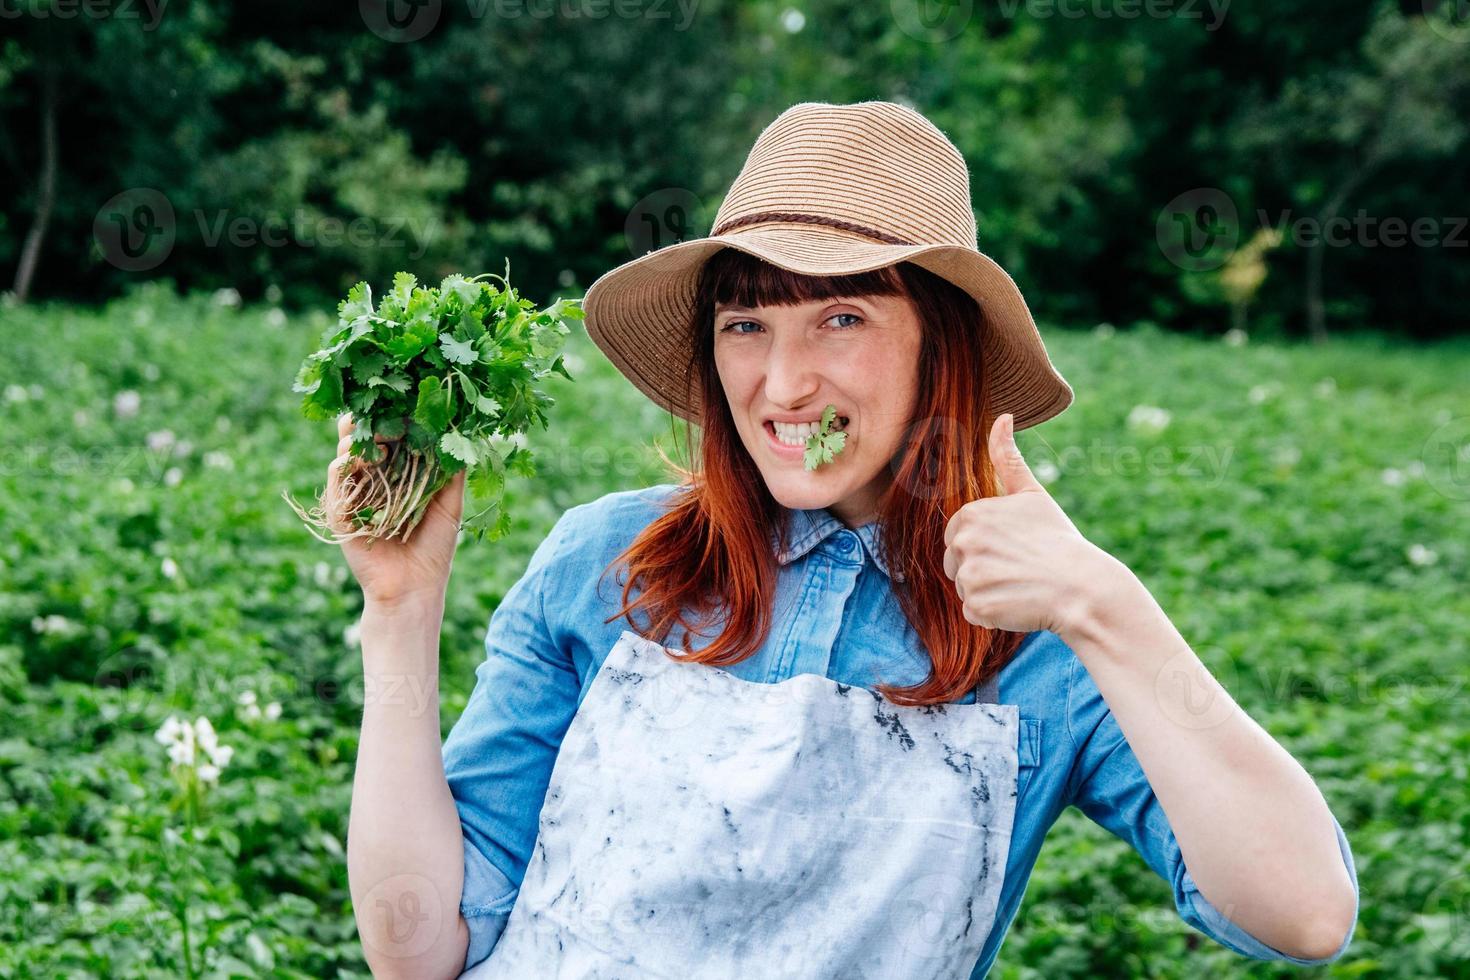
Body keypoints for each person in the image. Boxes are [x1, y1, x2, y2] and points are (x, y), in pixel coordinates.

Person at [343, 101, 1360, 980]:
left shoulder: (1036, 635)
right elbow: (422, 948)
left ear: (940, 341)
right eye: (746, 324)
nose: (783, 385)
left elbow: (1304, 912)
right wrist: (398, 610)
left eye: (840, 317)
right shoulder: (605, 559)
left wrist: (1106, 608)